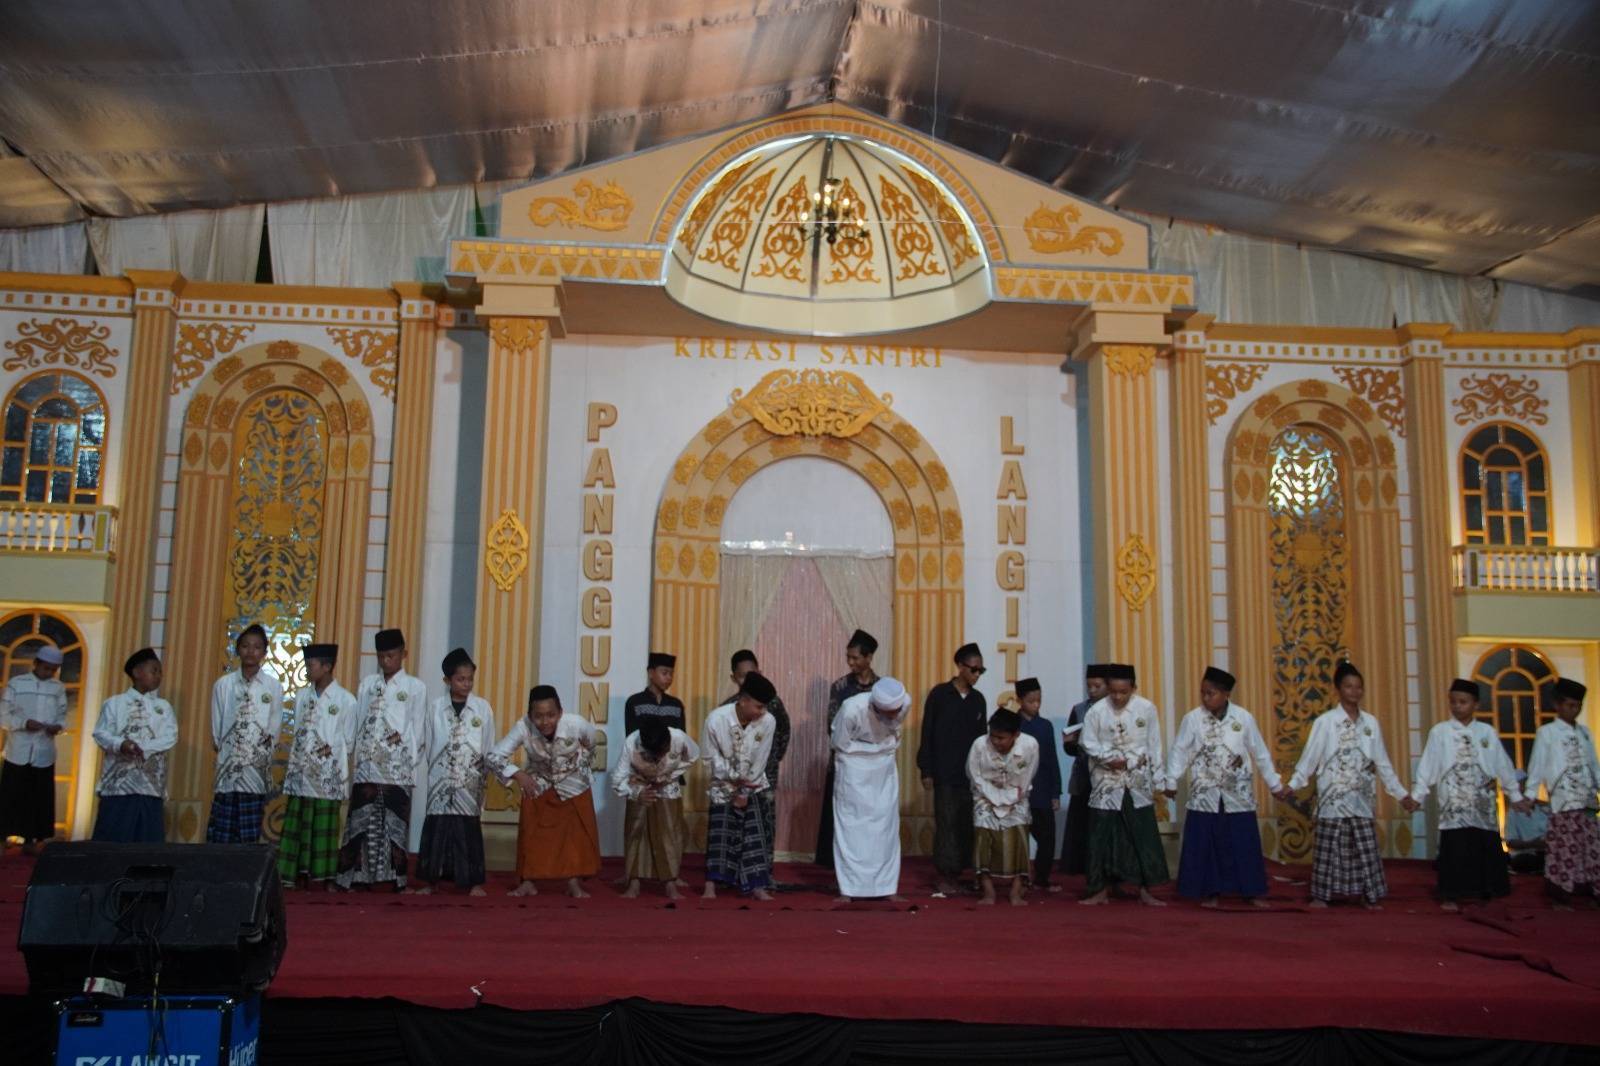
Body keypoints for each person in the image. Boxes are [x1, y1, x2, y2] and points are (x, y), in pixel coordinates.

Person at [1287, 660, 1416, 910]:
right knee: (1328, 848)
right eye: (1348, 686)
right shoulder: (1325, 722)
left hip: (1361, 798)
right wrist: (1293, 784)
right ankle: (1321, 895)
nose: (1354, 692)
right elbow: (1310, 758)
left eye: (1358, 687)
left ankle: (1369, 894)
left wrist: (1400, 794)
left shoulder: (1371, 724)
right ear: (1338, 689)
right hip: (1333, 798)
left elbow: (1382, 762)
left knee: (1365, 848)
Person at [1165, 666, 1288, 908]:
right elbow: (1180, 751)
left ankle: (1251, 892)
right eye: (1203, 693)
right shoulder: (1192, 719)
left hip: (1237, 793)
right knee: (1206, 843)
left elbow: (1259, 753)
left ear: (1226, 694)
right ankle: (1210, 891)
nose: (1206, 698)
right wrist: (1171, 780)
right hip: (1205, 791)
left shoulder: (1243, 718)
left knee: (1244, 842)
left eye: (1211, 693)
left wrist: (1274, 783)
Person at [1410, 678, 1529, 910]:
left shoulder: (1486, 732)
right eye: (1453, 702)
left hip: (1482, 803)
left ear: (1476, 704)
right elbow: (1428, 766)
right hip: (1454, 803)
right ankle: (1450, 894)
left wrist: (1515, 795)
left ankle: (1486, 891)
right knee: (1455, 848)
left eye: (1463, 702)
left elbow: (1502, 766)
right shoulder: (1440, 732)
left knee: (1483, 844)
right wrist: (1417, 795)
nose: (1457, 706)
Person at [336, 628, 427, 891]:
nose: (386, 661)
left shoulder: (415, 688)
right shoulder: (367, 684)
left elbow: (418, 730)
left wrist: (408, 763)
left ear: (403, 654)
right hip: (367, 767)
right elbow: (359, 723)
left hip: (397, 769)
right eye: (382, 656)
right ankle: (355, 877)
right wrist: (358, 758)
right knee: (361, 823)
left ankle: (394, 879)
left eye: (391, 655)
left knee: (394, 826)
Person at [489, 685, 600, 899]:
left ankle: (573, 882)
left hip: (573, 781)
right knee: (531, 830)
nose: (545, 721)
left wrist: (580, 766)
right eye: (538, 716)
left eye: (551, 715)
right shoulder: (522, 727)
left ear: (560, 712)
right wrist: (519, 775)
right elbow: (494, 757)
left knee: (575, 836)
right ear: (530, 715)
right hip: (539, 780)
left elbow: (592, 743)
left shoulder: (576, 724)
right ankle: (528, 881)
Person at [1080, 664, 1170, 906]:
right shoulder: (1096, 711)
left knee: (1142, 835)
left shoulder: (1146, 709)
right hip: (1106, 781)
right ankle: (1098, 889)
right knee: (1101, 836)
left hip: (1136, 781)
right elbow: (1087, 742)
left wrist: (1160, 779)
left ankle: (1146, 889)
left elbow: (1154, 745)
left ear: (1133, 688)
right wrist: (1109, 759)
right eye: (1114, 692)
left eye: (1124, 692)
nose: (1118, 697)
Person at [277, 643, 360, 888]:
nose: (307, 670)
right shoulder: (302, 696)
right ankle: (293, 875)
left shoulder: (346, 700)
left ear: (326, 666)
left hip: (327, 774)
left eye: (311, 665)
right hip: (301, 772)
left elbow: (349, 739)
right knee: (298, 824)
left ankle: (324, 877)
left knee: (324, 825)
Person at [415, 648, 496, 896]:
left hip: (469, 781)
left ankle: (473, 883)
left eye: (470, 679)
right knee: (437, 827)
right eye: (461, 679)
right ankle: (431, 882)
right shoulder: (435, 708)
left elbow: (489, 744)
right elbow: (427, 742)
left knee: (467, 828)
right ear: (447, 680)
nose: (466, 684)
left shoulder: (482, 709)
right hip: (440, 778)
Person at [831, 676, 913, 902]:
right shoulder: (852, 709)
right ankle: (848, 890)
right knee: (851, 828)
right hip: (853, 766)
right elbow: (840, 744)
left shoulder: (904, 703)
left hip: (884, 766)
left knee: (885, 829)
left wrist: (880, 750)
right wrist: (868, 751)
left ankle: (887, 888)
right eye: (889, 713)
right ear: (876, 707)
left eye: (896, 711)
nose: (894, 716)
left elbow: (893, 732)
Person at [917, 643, 989, 895]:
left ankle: (963, 873)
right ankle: (945, 874)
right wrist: (926, 769)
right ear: (960, 666)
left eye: (981, 671)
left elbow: (983, 741)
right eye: (974, 669)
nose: (977, 675)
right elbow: (927, 733)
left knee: (965, 823)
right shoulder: (939, 695)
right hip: (944, 773)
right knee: (946, 823)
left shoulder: (979, 700)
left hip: (970, 775)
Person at [1524, 678, 1599, 909]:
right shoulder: (1548, 732)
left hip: (1586, 801)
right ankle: (1560, 896)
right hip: (1563, 800)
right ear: (1557, 705)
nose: (1573, 710)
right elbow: (1537, 764)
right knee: (1565, 849)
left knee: (1592, 848)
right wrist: (1529, 793)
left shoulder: (1585, 733)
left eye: (1577, 706)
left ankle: (1588, 892)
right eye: (1568, 705)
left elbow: (1594, 765)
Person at [702, 671, 778, 900]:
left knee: (753, 834)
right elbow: (708, 758)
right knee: (720, 833)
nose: (761, 712)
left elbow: (761, 760)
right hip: (722, 783)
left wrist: (744, 791)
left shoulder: (768, 721)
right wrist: (732, 777)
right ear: (743, 700)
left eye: (764, 707)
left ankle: (757, 886)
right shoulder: (716, 719)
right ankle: (710, 885)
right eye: (757, 706)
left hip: (753, 784)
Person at [91, 648, 177, 843]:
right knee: (114, 840)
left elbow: (170, 736)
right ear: (137, 673)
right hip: (119, 786)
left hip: (150, 784)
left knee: (147, 843)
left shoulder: (163, 707)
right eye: (154, 671)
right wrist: (121, 744)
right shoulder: (114, 704)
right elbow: (100, 733)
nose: (158, 676)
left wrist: (143, 749)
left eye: (160, 672)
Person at [207, 625, 283, 845]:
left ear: (264, 653)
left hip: (255, 772)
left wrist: (256, 757)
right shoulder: (223, 685)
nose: (251, 651)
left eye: (257, 647)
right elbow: (216, 727)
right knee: (222, 831)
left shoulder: (273, 687)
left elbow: (274, 729)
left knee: (248, 834)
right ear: (238, 649)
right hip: (227, 769)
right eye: (246, 646)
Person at [614, 717, 700, 899]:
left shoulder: (678, 738)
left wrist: (668, 776)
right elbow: (617, 781)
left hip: (668, 789)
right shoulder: (632, 743)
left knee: (670, 834)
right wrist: (636, 793)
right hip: (639, 788)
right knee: (635, 834)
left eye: (664, 751)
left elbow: (693, 756)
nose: (661, 757)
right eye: (656, 755)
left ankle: (670, 884)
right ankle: (634, 883)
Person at [816, 629, 880, 870]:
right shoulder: (840, 686)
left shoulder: (882, 688)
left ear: (869, 657)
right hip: (844, 761)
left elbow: (884, 727)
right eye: (848, 658)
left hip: (872, 765)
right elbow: (832, 726)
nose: (851, 662)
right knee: (842, 817)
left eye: (855, 658)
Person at [724, 650, 790, 873]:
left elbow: (784, 731)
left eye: (752, 674)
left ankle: (763, 873)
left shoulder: (772, 703)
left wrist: (772, 760)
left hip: (766, 776)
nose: (748, 680)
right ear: (734, 678)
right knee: (736, 823)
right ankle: (734, 872)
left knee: (765, 823)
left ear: (759, 672)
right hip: (736, 778)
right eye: (742, 676)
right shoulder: (727, 709)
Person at [968, 703, 1039, 907]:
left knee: (1019, 838)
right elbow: (975, 776)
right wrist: (994, 798)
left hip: (1017, 797)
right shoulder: (979, 745)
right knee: (983, 839)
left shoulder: (1030, 745)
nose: (996, 742)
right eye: (993, 736)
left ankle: (1016, 892)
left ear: (1015, 735)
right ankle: (988, 891)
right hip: (985, 797)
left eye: (1001, 738)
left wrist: (1008, 800)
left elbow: (1026, 778)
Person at [0, 644, 68, 854]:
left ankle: (32, 841)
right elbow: (3, 715)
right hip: (18, 750)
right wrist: (24, 723)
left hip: (43, 752)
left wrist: (58, 727)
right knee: (10, 796)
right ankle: (3, 838)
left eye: (53, 669)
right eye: (46, 668)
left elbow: (62, 716)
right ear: (36, 664)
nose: (49, 673)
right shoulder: (16, 684)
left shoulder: (58, 688)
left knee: (38, 798)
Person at [1061, 664, 1109, 877]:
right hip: (1084, 774)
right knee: (1081, 823)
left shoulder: (1114, 710)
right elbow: (1069, 747)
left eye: (1097, 686)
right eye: (1089, 686)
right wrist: (1073, 742)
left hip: (1108, 775)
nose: (1092, 691)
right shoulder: (1079, 709)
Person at [1014, 678, 1061, 892]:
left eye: (1039, 700)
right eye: (1031, 701)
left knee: (1047, 837)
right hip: (1018, 791)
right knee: (1020, 838)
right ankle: (1020, 878)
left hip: (1042, 789)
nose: (1036, 705)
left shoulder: (1045, 726)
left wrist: (1055, 792)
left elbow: (1052, 759)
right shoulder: (1012, 724)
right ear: (1020, 700)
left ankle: (1042, 877)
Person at [624, 653, 684, 734]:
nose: (669, 678)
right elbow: (631, 739)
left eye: (671, 674)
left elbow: (681, 739)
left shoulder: (676, 705)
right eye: (664, 673)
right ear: (651, 673)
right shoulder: (635, 702)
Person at [1504, 770, 1550, 875]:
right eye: (1521, 785)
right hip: (1527, 855)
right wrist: (1533, 844)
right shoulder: (1512, 814)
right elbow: (1510, 842)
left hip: (1548, 852)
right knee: (1523, 861)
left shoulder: (1544, 808)